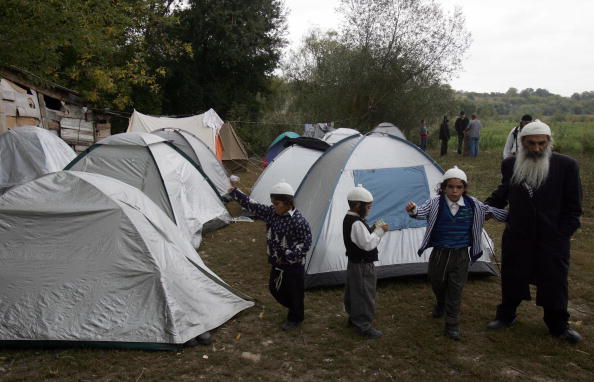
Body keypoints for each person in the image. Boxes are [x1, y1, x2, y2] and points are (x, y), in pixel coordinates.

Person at [484, 120, 583, 344]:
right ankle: (506, 316)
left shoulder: (567, 165)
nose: (537, 149)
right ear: (522, 143)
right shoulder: (510, 164)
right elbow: (504, 190)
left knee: (555, 281)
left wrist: (562, 234)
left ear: (549, 142)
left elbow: (573, 207)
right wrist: (487, 207)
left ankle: (558, 325)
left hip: (553, 237)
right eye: (531, 144)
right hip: (518, 234)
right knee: (512, 276)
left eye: (541, 143)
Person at [406, 167, 508, 340]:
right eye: (450, 187)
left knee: (456, 288)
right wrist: (413, 210)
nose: (454, 191)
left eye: (459, 187)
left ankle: (452, 324)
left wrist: (515, 216)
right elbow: (421, 212)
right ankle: (440, 303)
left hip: (461, 255)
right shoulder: (435, 203)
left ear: (464, 188)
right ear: (444, 187)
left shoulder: (473, 204)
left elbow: (491, 211)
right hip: (439, 253)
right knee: (437, 281)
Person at [227, 182, 312, 331]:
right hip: (276, 262)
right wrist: (235, 193)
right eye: (272, 203)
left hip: (293, 266)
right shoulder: (272, 213)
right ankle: (294, 306)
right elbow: (254, 206)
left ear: (287, 203)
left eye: (277, 204)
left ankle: (295, 317)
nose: (273, 206)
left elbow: (305, 243)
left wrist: (287, 257)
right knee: (274, 289)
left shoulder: (298, 221)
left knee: (294, 291)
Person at [343, 185, 388, 339]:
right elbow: (367, 244)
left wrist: (371, 228)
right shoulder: (356, 222)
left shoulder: (352, 219)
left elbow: (360, 238)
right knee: (364, 293)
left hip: (354, 263)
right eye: (368, 207)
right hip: (362, 265)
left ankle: (353, 317)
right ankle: (363, 324)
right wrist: (379, 231)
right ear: (357, 205)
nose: (369, 209)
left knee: (353, 291)